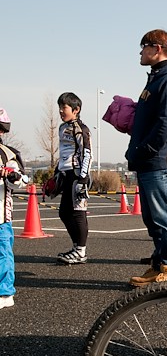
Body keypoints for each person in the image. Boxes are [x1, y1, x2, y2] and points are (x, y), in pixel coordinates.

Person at [126, 29, 167, 287]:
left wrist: (145, 150)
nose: (140, 52)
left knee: (166, 216)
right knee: (155, 217)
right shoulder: (157, 78)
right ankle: (163, 261)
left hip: (158, 162)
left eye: (144, 47)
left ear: (157, 48)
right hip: (149, 162)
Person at [55, 93, 92, 265]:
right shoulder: (62, 127)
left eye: (65, 107)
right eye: (60, 107)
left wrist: (83, 180)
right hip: (66, 174)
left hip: (78, 175)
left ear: (76, 110)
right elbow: (63, 153)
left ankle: (81, 251)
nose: (61, 111)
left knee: (78, 213)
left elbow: (87, 154)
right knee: (64, 213)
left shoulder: (81, 128)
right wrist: (57, 172)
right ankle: (76, 246)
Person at [0, 108, 28, 309]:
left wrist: (12, 177)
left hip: (0, 214)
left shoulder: (7, 154)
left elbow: (21, 181)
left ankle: (5, 292)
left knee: (3, 251)